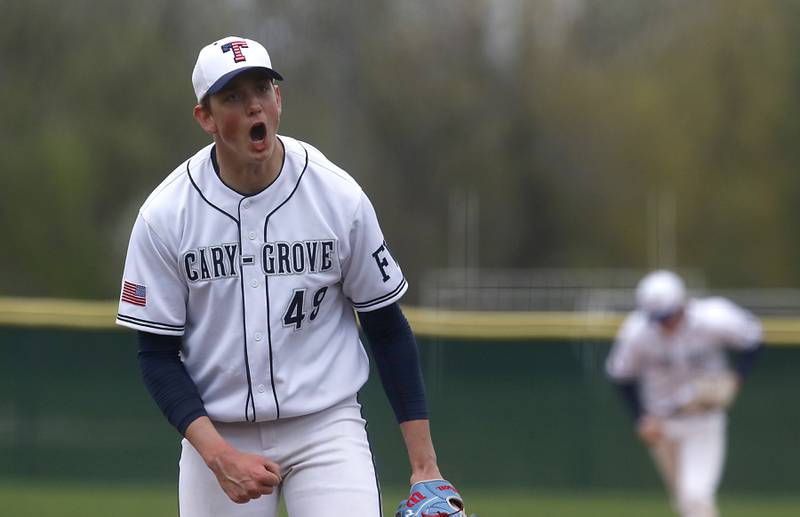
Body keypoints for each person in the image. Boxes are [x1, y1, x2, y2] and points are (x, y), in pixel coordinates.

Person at [116, 36, 466, 517]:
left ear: (278, 100)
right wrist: (217, 457)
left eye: (262, 88)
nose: (254, 104)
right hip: (219, 430)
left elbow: (386, 327)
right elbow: (155, 355)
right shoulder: (166, 215)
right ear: (206, 118)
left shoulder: (336, 197)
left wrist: (425, 466)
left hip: (326, 427)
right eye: (232, 97)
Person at [606, 270, 762, 517]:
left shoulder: (713, 317)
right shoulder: (637, 332)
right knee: (684, 500)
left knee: (695, 495)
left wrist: (737, 377)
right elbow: (620, 375)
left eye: (669, 316)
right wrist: (641, 418)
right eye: (658, 318)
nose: (665, 323)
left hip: (703, 418)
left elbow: (753, 337)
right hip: (662, 422)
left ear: (682, 304)